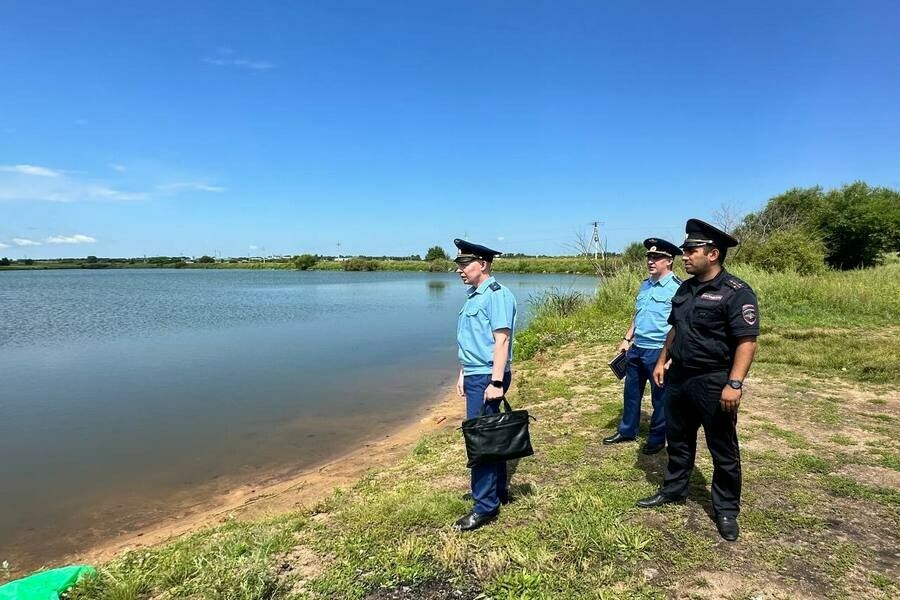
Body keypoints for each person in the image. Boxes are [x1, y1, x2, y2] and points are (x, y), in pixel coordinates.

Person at [636, 219, 759, 542]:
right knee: (678, 440)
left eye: (691, 250)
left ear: (713, 253)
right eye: (686, 250)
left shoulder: (736, 293)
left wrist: (734, 384)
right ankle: (674, 490)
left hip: (713, 380)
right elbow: (675, 328)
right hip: (680, 377)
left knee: (723, 447)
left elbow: (747, 341)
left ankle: (727, 509)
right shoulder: (685, 289)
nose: (685, 255)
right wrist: (663, 360)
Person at [452, 238, 517, 531]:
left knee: (481, 443)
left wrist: (496, 381)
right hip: (476, 373)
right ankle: (499, 493)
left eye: (466, 264)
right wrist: (464, 372)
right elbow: (473, 341)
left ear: (484, 264)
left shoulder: (496, 295)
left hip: (489, 377)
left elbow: (501, 340)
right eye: (459, 265)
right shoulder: (474, 296)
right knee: (492, 438)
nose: (460, 270)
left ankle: (485, 507)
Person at [603, 238, 682, 454]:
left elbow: (681, 325)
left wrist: (671, 356)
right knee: (631, 393)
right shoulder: (645, 285)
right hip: (637, 347)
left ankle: (657, 438)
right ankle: (627, 430)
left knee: (660, 398)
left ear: (669, 261)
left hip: (659, 350)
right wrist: (627, 339)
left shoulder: (678, 289)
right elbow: (638, 315)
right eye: (649, 256)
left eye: (656, 257)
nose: (651, 261)